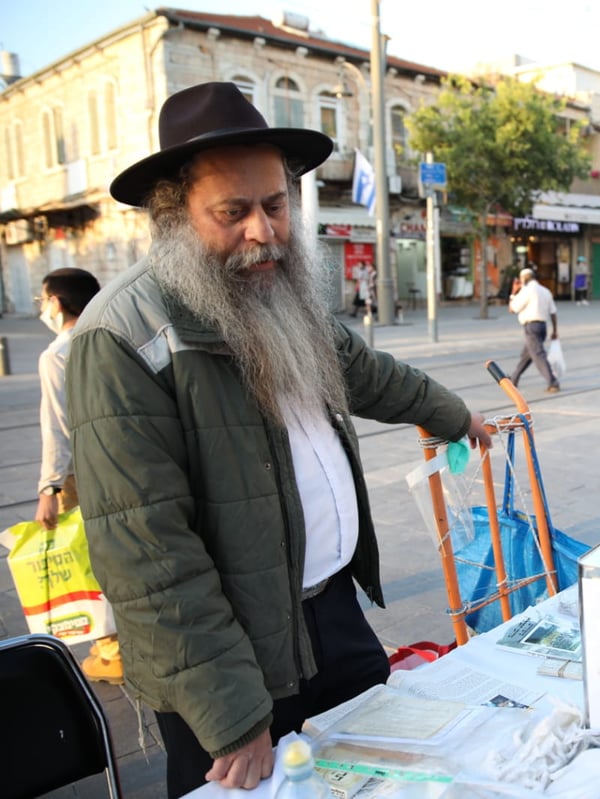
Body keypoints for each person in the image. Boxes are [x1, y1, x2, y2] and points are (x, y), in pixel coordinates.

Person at [67, 82, 493, 797]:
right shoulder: (122, 336)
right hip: (231, 655)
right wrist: (231, 712)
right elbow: (148, 552)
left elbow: (364, 371)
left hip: (332, 616)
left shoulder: (276, 287)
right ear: (176, 217)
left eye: (274, 204)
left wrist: (454, 414)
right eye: (232, 213)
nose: (263, 231)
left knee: (384, 779)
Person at [34, 267, 120, 684]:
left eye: (42, 300)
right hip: (122, 463)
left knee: (90, 558)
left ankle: (113, 649)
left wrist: (49, 486)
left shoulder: (57, 354)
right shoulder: (112, 334)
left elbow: (57, 425)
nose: (42, 307)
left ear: (57, 302)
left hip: (82, 473)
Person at [509, 267, 561, 393]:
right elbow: (553, 312)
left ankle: (552, 382)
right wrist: (554, 330)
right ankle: (513, 379)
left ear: (524, 279)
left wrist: (514, 292)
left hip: (531, 327)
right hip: (542, 326)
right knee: (526, 355)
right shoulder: (545, 291)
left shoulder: (527, 291)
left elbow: (513, 309)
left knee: (538, 354)